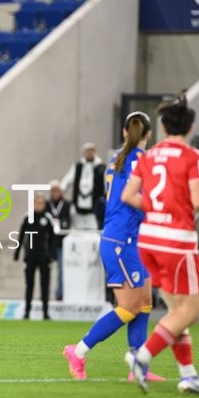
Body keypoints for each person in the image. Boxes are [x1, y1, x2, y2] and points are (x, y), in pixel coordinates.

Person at [121, 96, 199, 395]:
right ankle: (141, 358)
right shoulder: (193, 157)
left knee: (176, 310)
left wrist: (155, 209)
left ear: (163, 126)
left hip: (148, 240)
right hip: (176, 243)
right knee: (190, 311)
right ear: (191, 127)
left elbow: (129, 196)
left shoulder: (149, 155)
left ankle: (188, 375)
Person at [63, 112, 163, 382]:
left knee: (145, 303)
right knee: (130, 306)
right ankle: (79, 351)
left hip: (127, 239)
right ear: (149, 134)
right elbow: (137, 198)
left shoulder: (116, 159)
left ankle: (138, 367)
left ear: (124, 133)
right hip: (123, 240)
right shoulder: (142, 160)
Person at [14, 196, 56, 320]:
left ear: (44, 205)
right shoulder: (27, 217)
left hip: (44, 256)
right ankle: (27, 311)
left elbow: (53, 238)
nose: (38, 205)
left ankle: (45, 312)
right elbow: (21, 235)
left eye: (40, 203)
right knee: (29, 285)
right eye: (36, 203)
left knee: (44, 285)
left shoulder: (48, 218)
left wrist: (52, 254)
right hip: (30, 256)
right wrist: (17, 252)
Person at [60, 142, 105, 230]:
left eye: (91, 151)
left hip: (94, 207)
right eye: (87, 151)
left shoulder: (101, 168)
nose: (89, 153)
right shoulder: (78, 166)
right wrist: (62, 189)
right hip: (78, 206)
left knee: (94, 230)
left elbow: (106, 182)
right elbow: (68, 179)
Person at [45, 180, 71, 300]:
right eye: (53, 191)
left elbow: (70, 220)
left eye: (57, 190)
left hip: (61, 242)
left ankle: (59, 293)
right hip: (49, 242)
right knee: (46, 270)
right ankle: (45, 294)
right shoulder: (46, 205)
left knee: (61, 269)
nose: (55, 193)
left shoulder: (66, 205)